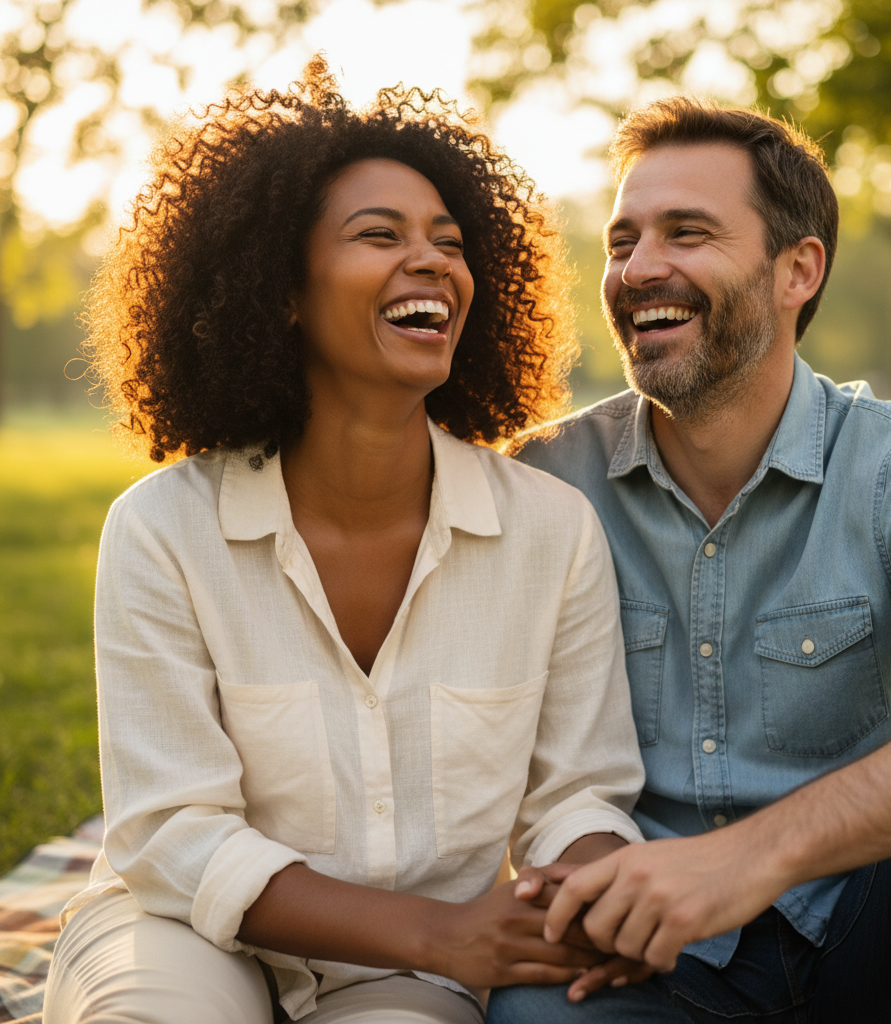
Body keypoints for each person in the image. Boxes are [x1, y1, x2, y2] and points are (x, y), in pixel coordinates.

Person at [43, 59, 647, 1024]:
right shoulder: (164, 528)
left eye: (450, 244)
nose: (434, 262)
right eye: (381, 235)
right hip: (186, 933)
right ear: (279, 290)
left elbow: (575, 797)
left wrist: (597, 890)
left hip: (407, 979)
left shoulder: (549, 531)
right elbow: (172, 833)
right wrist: (439, 932)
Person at [488, 97, 891, 1023]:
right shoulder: (544, 481)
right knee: (531, 1015)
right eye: (622, 242)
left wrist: (748, 859)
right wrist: (590, 880)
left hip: (869, 930)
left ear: (798, 269)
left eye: (687, 233)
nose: (639, 268)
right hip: (647, 954)